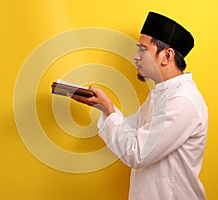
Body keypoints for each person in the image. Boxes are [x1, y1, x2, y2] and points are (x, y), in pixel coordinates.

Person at [70, 12, 208, 200]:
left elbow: (137, 153)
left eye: (142, 49)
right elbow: (129, 129)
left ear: (166, 55)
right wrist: (103, 107)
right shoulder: (160, 94)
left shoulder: (183, 101)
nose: (136, 56)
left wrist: (110, 109)